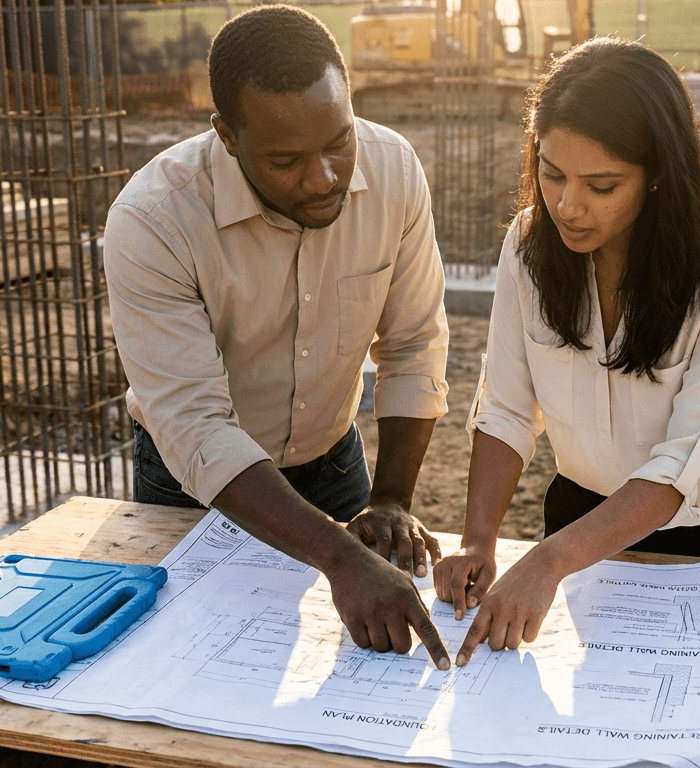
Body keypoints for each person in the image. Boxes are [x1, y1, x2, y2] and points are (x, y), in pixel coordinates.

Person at [104, 5, 452, 669]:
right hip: (196, 489)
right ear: (227, 137)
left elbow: (412, 346)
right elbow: (198, 429)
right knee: (198, 676)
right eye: (287, 159)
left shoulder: (396, 172)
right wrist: (339, 554)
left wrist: (392, 500)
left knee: (354, 677)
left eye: (338, 143)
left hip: (335, 463)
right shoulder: (154, 221)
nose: (324, 177)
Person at [434, 38, 700, 665]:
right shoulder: (527, 246)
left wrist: (546, 560)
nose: (566, 206)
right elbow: (508, 407)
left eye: (601, 185)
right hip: (579, 514)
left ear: (656, 174)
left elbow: (682, 466)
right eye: (550, 173)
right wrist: (479, 541)